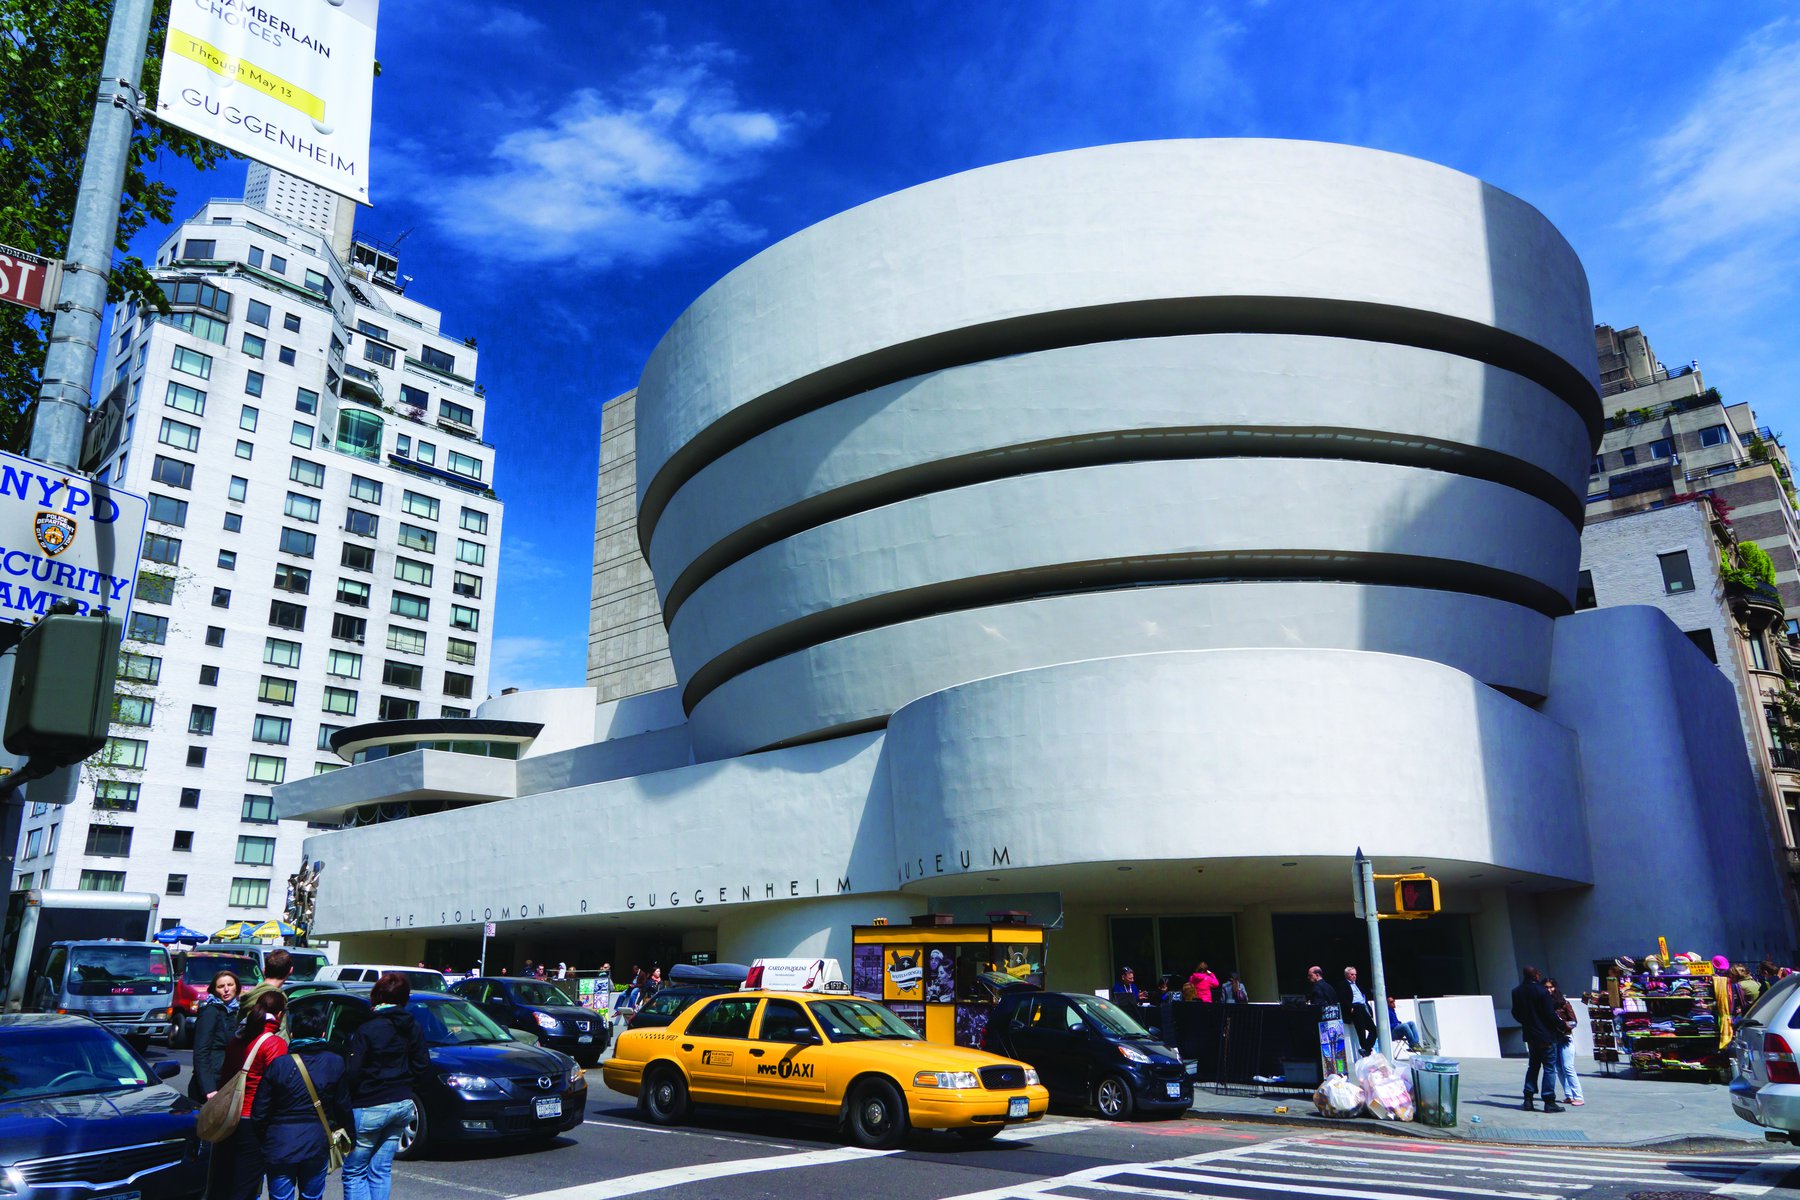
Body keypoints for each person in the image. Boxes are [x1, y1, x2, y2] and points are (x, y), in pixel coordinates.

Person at [343, 973, 431, 1200]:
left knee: (354, 1171)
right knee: (380, 1170)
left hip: (369, 1102)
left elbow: (352, 1071)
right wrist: (406, 1084)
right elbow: (422, 1065)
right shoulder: (413, 1026)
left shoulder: (368, 1028)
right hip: (402, 1101)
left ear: (377, 996)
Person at [250, 1001, 349, 1200]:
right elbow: (343, 1105)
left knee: (280, 1197)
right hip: (316, 1140)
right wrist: (349, 1136)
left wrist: (265, 1138)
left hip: (279, 1142)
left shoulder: (279, 1065)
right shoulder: (335, 1062)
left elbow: (259, 1111)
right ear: (322, 1034)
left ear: (293, 1034)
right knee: (312, 1197)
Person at [217, 990, 290, 1200]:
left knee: (228, 1179)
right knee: (246, 1184)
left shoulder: (237, 1039)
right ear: (279, 1015)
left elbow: (224, 1078)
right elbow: (278, 1085)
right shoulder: (274, 1043)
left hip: (231, 1115)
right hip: (255, 1119)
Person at [1510, 966, 1565, 1112]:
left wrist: (1527, 1023)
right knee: (1549, 1068)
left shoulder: (1517, 991)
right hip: (1546, 1035)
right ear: (1535, 975)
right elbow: (1550, 1014)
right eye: (1538, 973)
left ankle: (1528, 1099)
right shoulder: (1542, 991)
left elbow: (1515, 1013)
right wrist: (1562, 1025)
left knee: (1533, 1067)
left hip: (1530, 1035)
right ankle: (1549, 1101)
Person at [190, 970, 242, 1101]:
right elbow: (201, 1051)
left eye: (230, 985)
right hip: (212, 1084)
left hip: (228, 1080)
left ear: (237, 987)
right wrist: (209, 1089)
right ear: (214, 990)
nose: (226, 989)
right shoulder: (210, 1012)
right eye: (221, 986)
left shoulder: (237, 1011)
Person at [1546, 978, 1584, 1106]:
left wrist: (1563, 1026)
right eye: (1546, 987)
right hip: (1552, 1038)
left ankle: (1578, 1096)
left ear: (1555, 987)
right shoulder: (1544, 1004)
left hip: (1565, 1037)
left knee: (1568, 1067)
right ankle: (1568, 1095)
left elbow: (1574, 1021)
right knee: (1558, 1068)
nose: (1549, 990)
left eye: (1551, 987)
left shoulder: (1564, 1003)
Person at [239, 949, 294, 1032]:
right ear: (291, 970)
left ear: (264, 970)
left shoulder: (250, 994)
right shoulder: (277, 998)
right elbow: (279, 1033)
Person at [1335, 966, 1378, 1056]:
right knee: (1361, 1030)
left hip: (1363, 1007)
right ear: (1346, 975)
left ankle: (1366, 1049)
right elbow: (1342, 998)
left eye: (1355, 974)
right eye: (1352, 974)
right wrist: (1350, 1007)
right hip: (1355, 1008)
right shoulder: (1343, 984)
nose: (1354, 976)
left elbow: (1363, 997)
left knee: (1373, 1029)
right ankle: (1365, 1048)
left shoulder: (1357, 985)